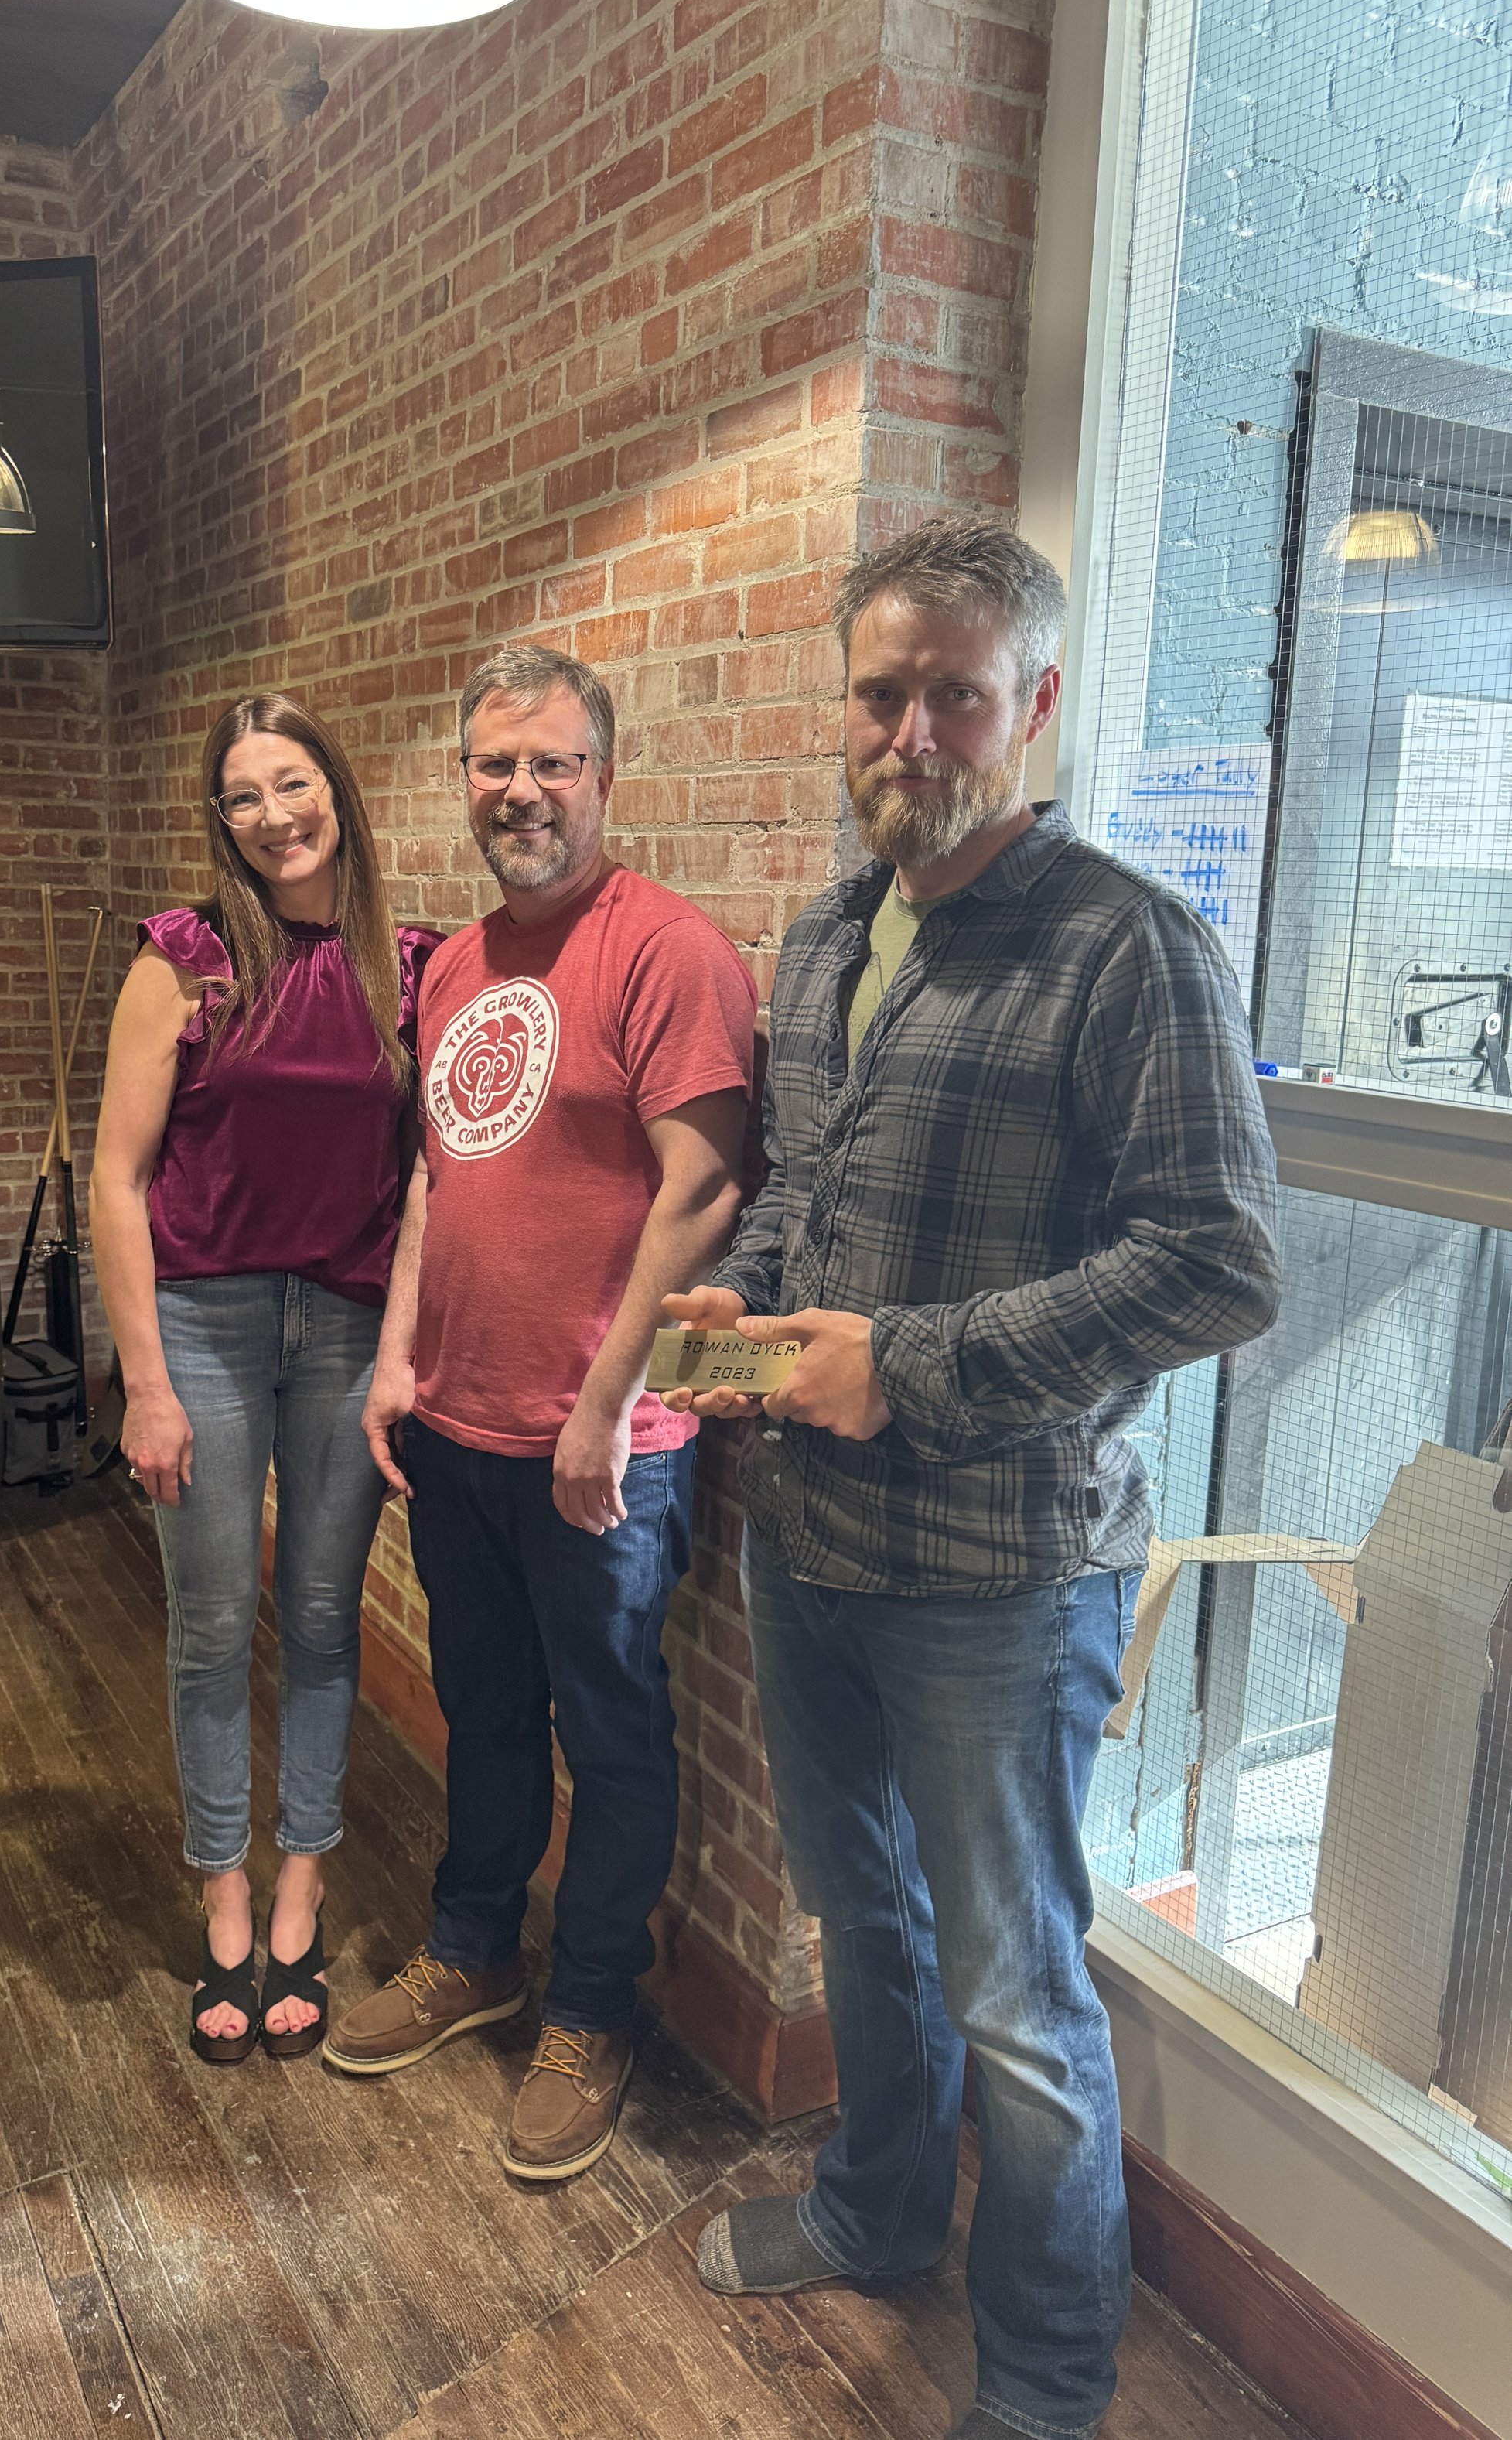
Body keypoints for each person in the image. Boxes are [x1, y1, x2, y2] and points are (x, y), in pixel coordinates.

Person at [660, 518, 1280, 2440]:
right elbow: (812, 1201)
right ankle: (871, 2206)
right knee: (865, 1917)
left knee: (1020, 1993)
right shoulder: (834, 931)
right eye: (882, 690)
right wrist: (738, 1308)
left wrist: (899, 1365)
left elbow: (1221, 1260)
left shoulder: (1126, 945)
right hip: (814, 1545)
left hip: (1008, 1574)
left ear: (1035, 707)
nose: (912, 730)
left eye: (956, 693)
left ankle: (1044, 2380)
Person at [323, 643, 756, 2183]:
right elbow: (440, 1173)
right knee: (484, 1702)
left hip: (603, 1452)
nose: (519, 790)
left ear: (601, 776)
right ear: (465, 780)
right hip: (457, 1424)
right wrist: (394, 1358)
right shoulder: (452, 968)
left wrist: (608, 1398)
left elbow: (701, 1192)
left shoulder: (664, 951)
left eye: (550, 762)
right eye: (493, 764)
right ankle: (470, 1948)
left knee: (614, 1732)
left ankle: (589, 2008)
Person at [89, 694, 439, 2065]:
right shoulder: (183, 960)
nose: (273, 815)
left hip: (347, 1328)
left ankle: (305, 1883)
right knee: (210, 1619)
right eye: (242, 796)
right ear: (220, 820)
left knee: (323, 1616)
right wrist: (145, 1381)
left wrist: (404, 1344)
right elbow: (118, 1178)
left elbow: (429, 1170)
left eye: (292, 783)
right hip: (207, 1326)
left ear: (337, 791)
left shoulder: (412, 965)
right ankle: (223, 1897)